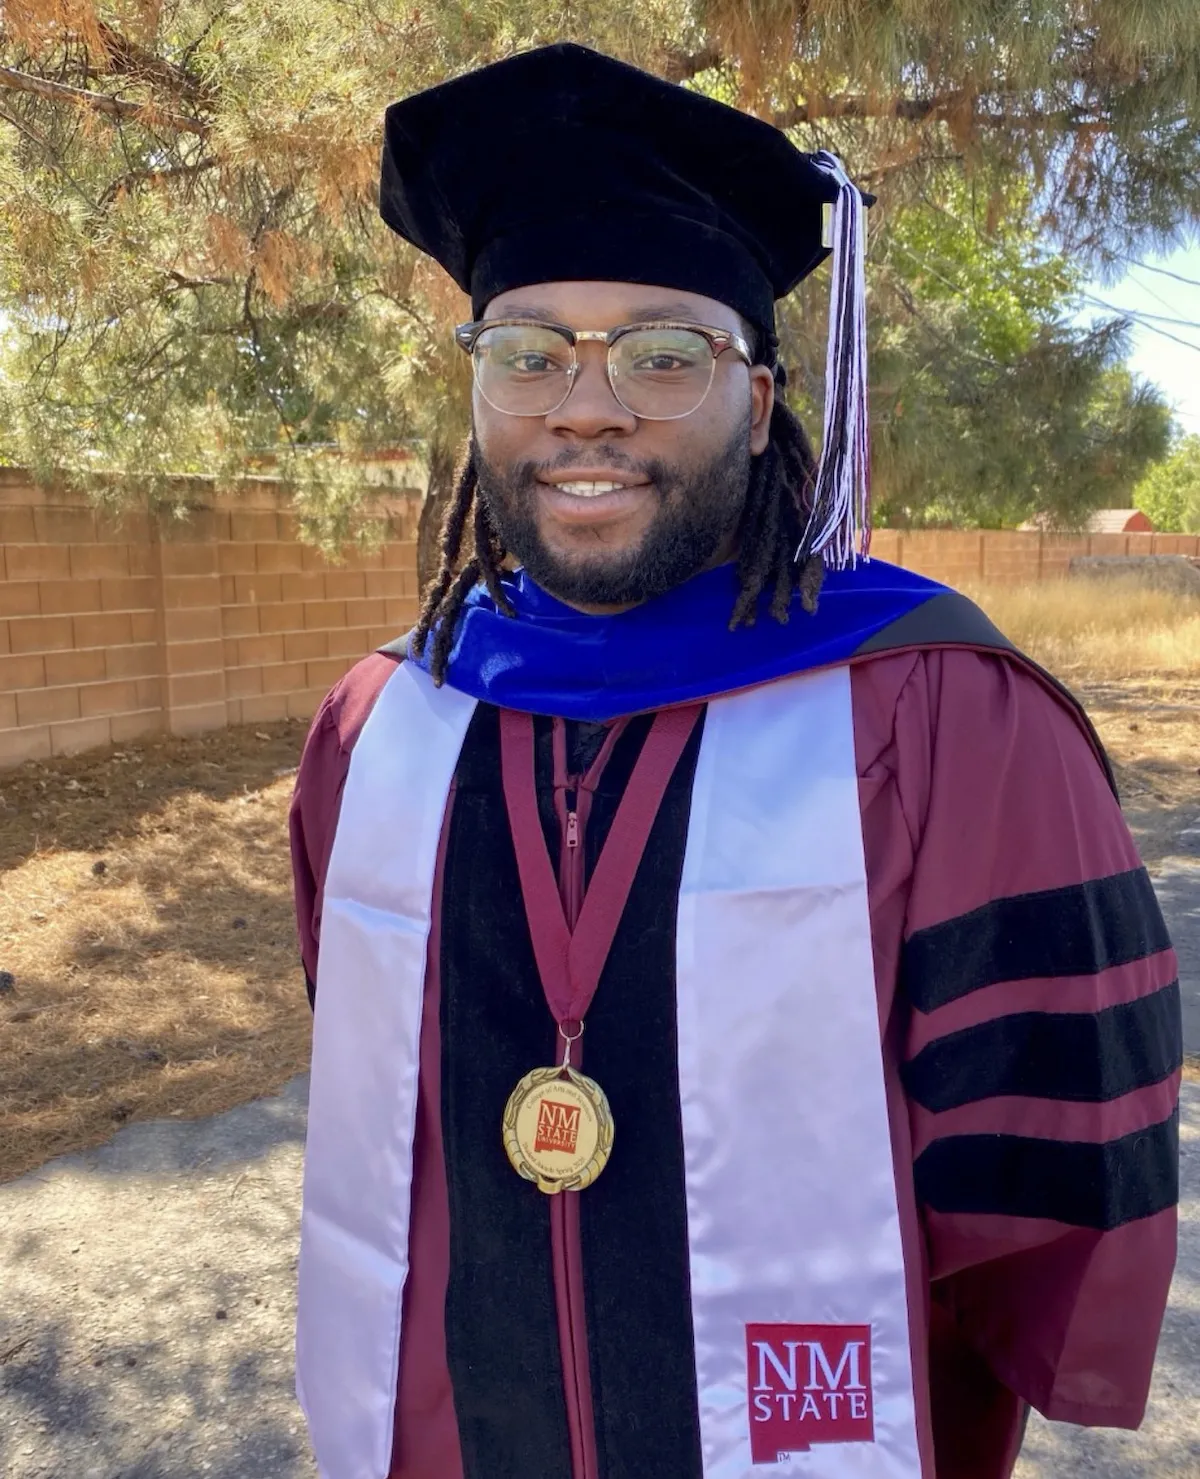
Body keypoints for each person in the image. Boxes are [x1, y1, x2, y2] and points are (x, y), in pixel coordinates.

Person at [288, 43, 1181, 1479]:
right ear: (476, 394)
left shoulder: (940, 709)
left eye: (661, 352)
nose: (586, 407)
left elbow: (1049, 1163)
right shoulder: (380, 723)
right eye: (527, 352)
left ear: (760, 400)